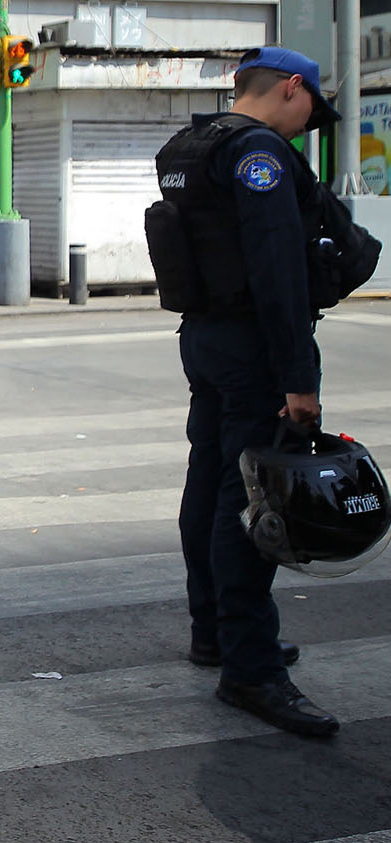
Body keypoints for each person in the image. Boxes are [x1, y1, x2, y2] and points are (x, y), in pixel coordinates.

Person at [152, 46, 345, 737]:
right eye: (309, 112)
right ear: (291, 88)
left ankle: (217, 634)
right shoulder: (257, 153)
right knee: (250, 502)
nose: (305, 127)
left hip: (202, 338)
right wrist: (299, 377)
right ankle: (252, 669)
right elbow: (277, 270)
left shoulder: (192, 143)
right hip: (252, 346)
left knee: (208, 483)